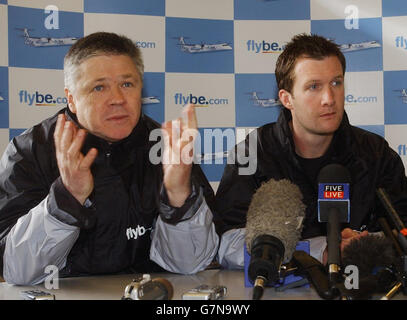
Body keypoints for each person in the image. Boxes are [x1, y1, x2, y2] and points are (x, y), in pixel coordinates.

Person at [0, 32, 219, 285]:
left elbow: (190, 264)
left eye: (127, 84)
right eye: (99, 87)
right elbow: (16, 272)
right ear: (71, 99)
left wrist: (178, 196)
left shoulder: (166, 148)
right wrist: (66, 198)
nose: (117, 99)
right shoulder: (30, 151)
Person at [215, 33, 407, 268]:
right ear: (287, 99)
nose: (329, 98)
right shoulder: (252, 154)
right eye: (314, 86)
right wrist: (319, 251)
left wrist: (362, 247)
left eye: (336, 83)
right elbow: (226, 246)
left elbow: (401, 232)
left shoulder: (376, 154)